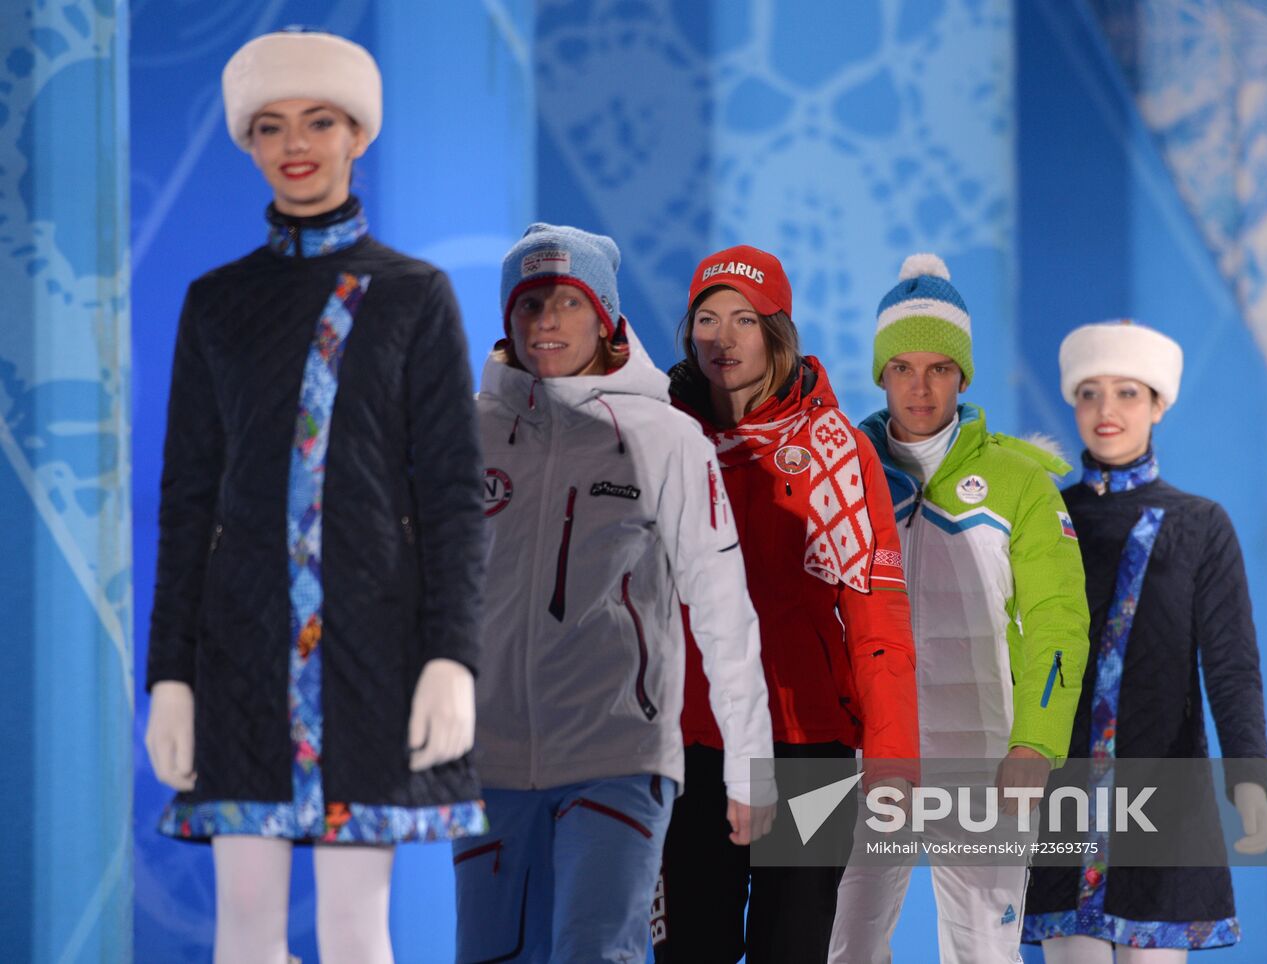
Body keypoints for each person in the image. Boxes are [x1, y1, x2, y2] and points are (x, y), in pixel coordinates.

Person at [144, 29, 484, 964]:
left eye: (321, 120)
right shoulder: (217, 303)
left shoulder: (415, 297)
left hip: (374, 649)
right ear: (248, 142)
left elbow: (453, 494)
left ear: (358, 134)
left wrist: (452, 655)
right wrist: (170, 675)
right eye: (271, 125)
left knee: (355, 929)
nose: (296, 143)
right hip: (240, 653)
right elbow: (187, 500)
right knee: (245, 930)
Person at [453, 224, 775, 963]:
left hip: (617, 754)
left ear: (605, 317)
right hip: (489, 762)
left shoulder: (666, 437)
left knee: (596, 951)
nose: (547, 321)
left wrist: (750, 767)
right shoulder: (464, 433)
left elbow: (723, 606)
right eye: (530, 303)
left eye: (569, 301)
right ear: (507, 318)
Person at [653, 244, 920, 963]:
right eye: (708, 319)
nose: (724, 337)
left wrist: (893, 759)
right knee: (690, 951)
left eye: (745, 319)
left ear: (778, 333)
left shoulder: (839, 451)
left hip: (809, 748)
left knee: (794, 951)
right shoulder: (657, 441)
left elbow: (877, 617)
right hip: (691, 744)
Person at [828, 254, 1091, 963]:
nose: (920, 387)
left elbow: (1059, 622)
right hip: (867, 752)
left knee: (984, 952)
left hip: (984, 754)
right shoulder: (842, 471)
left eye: (939, 368)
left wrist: (1036, 742)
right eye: (902, 367)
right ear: (880, 373)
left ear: (964, 376)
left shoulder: (1020, 481)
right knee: (844, 946)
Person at [1021, 320, 1267, 962]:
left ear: (1159, 404)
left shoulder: (1201, 525)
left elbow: (1232, 664)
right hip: (1063, 790)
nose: (1106, 410)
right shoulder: (1045, 516)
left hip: (1165, 791)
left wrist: (1248, 780)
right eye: (1090, 393)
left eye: (1127, 392)